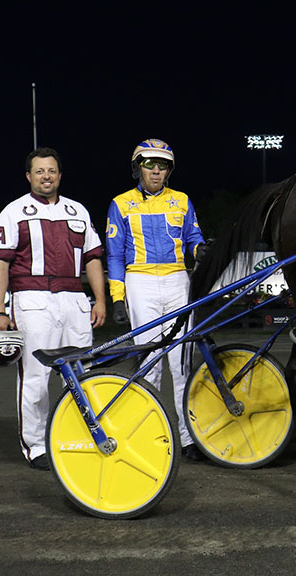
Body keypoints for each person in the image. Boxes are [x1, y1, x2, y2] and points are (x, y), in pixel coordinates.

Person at [0, 147, 107, 470]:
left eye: (51, 170)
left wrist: (100, 299)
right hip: (33, 299)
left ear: (60, 175)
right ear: (29, 176)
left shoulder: (77, 210)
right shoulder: (14, 212)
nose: (46, 176)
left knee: (84, 374)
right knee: (36, 377)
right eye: (39, 171)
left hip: (74, 299)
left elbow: (93, 258)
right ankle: (36, 446)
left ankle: (86, 436)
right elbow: (0, 263)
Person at [106, 138, 206, 461]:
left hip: (178, 279)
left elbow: (193, 236)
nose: (156, 170)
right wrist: (117, 299)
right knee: (150, 365)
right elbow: (115, 255)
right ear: (138, 168)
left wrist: (199, 249)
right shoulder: (120, 204)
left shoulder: (182, 200)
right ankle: (150, 435)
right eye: (150, 164)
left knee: (181, 364)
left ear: (169, 170)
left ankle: (187, 438)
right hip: (140, 282)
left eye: (162, 165)